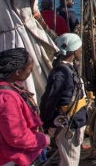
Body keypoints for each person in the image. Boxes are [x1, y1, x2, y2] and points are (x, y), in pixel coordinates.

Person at [0, 48, 48, 166]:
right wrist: (43, 139)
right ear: (18, 72)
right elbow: (16, 136)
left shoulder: (8, 87)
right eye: (30, 69)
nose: (30, 72)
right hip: (7, 159)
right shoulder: (5, 98)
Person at [40, 34, 87, 166]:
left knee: (70, 159)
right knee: (69, 162)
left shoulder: (69, 69)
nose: (81, 51)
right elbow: (49, 100)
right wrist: (45, 124)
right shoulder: (60, 74)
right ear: (74, 50)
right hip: (68, 125)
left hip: (75, 121)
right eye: (80, 48)